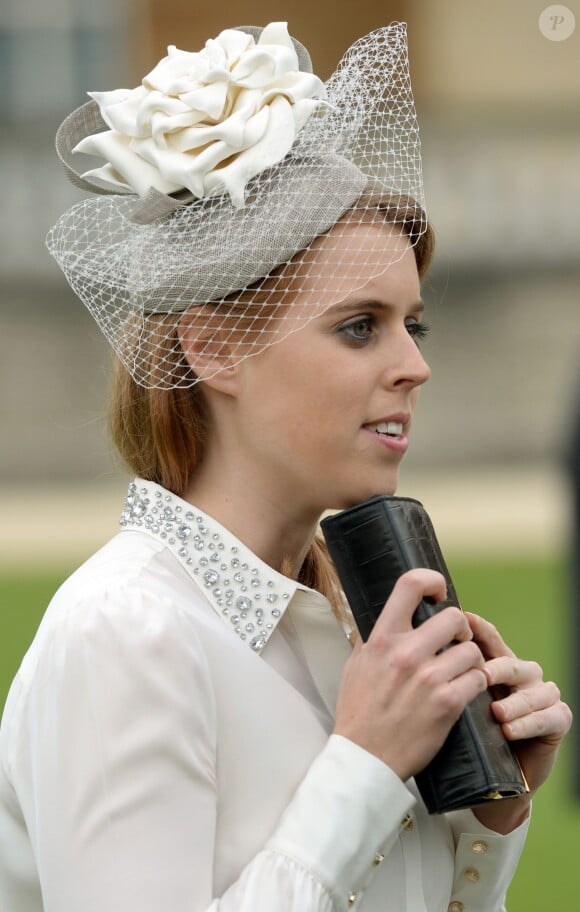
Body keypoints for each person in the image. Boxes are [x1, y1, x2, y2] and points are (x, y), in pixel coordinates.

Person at [0, 21, 571, 912]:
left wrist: (486, 810)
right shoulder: (126, 633)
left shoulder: (358, 630)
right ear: (217, 348)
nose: (413, 365)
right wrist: (367, 764)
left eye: (412, 324)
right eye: (359, 326)